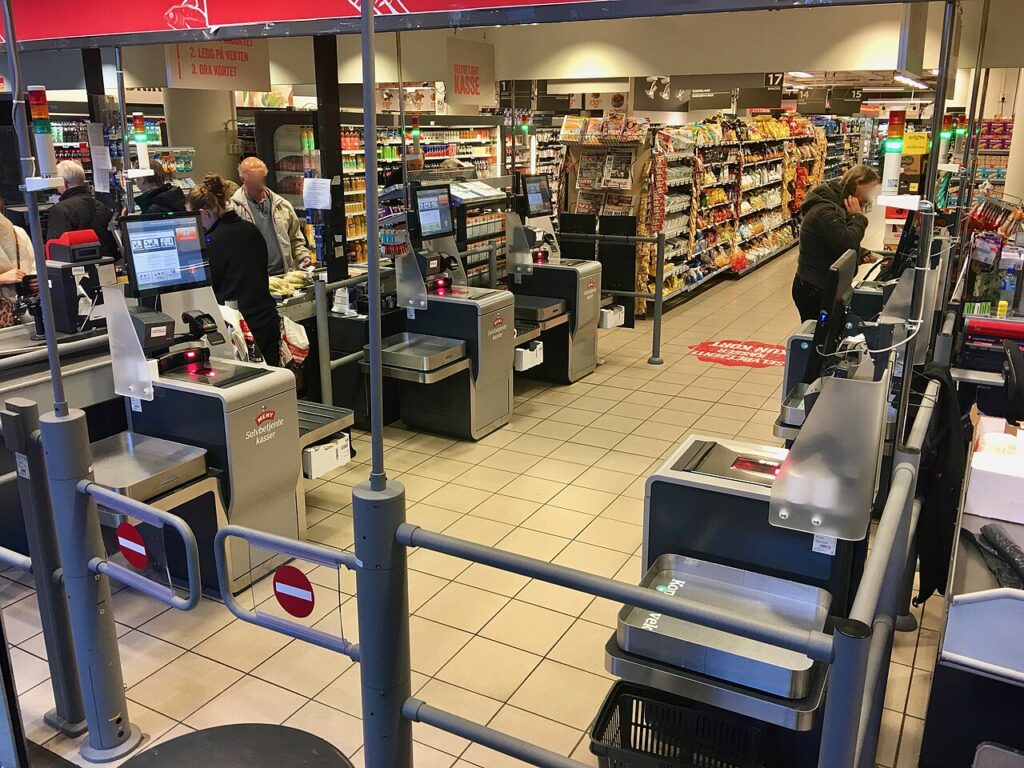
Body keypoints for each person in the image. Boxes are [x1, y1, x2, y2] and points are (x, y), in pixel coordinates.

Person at [187, 174, 282, 367]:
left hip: (239, 326)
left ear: (203, 213)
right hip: (266, 319)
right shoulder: (250, 230)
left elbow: (207, 286)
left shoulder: (211, 242)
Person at [793, 164, 880, 322]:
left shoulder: (838, 205)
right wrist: (858, 218)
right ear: (857, 185)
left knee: (826, 337)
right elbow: (847, 243)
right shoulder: (826, 211)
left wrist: (861, 254)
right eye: (869, 189)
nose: (870, 196)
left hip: (822, 283)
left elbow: (834, 242)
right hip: (813, 287)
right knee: (816, 338)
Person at [230, 157, 310, 275]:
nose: (260, 181)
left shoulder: (282, 205)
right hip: (254, 280)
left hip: (284, 275)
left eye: (262, 177)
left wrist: (302, 256)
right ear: (243, 179)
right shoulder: (233, 210)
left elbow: (295, 239)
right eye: (255, 178)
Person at [47, 160, 120, 258]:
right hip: (107, 265)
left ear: (63, 182)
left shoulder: (60, 210)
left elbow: (57, 250)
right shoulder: (102, 207)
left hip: (77, 269)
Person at [0, 213, 35, 328]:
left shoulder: (18, 233)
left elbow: (34, 268)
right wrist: (2, 278)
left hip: (25, 313)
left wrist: (35, 281)